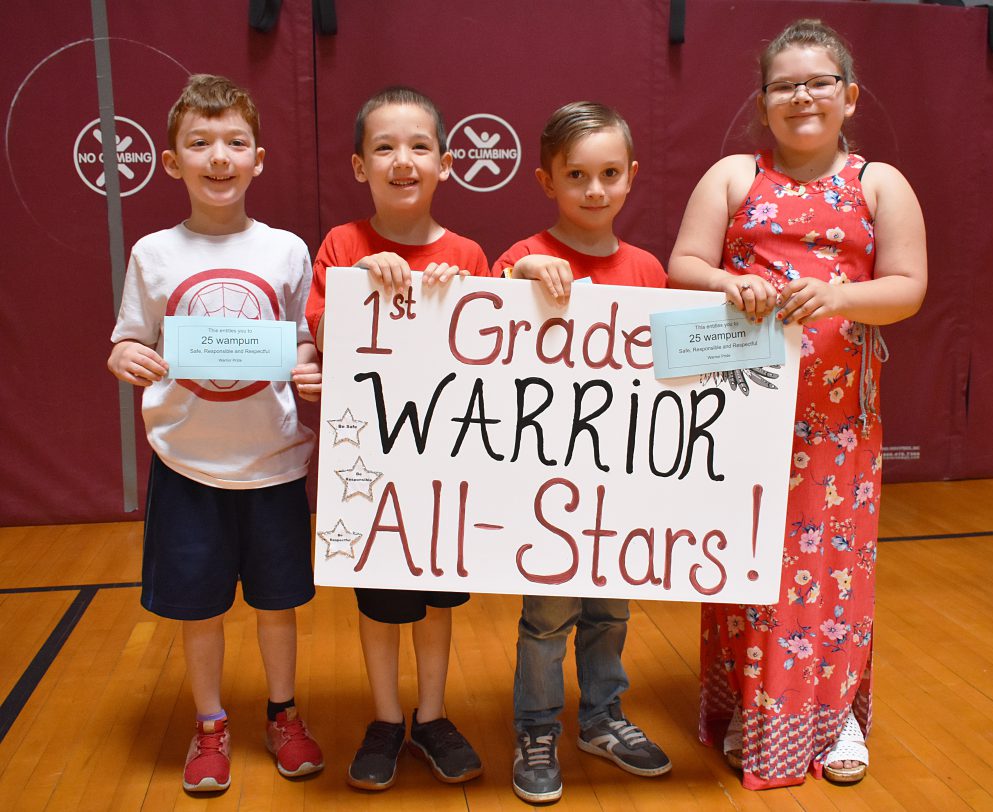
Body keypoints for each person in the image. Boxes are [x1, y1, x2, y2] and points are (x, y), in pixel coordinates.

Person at [667, 19, 927, 789]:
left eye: (819, 82)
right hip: (740, 415)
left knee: (830, 569)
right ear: (763, 99)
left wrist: (840, 293)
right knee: (747, 564)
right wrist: (730, 282)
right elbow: (684, 264)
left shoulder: (879, 182)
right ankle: (756, 707)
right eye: (785, 84)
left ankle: (835, 713)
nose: (802, 96)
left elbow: (908, 289)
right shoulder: (732, 175)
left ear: (848, 96)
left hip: (838, 426)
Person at [107, 74, 325, 793]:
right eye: (199, 143)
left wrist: (305, 368)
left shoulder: (288, 251)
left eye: (235, 142)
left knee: (277, 604)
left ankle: (283, 714)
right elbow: (129, 339)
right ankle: (210, 726)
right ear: (172, 162)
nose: (219, 156)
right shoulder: (152, 253)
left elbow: (299, 340)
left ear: (259, 158)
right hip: (188, 463)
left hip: (273, 463)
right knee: (198, 610)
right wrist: (124, 356)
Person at [306, 86, 489, 791]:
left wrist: (459, 296)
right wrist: (361, 286)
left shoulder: (469, 254)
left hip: (447, 468)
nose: (402, 160)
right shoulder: (342, 246)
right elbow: (326, 337)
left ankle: (433, 715)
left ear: (444, 163)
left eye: (419, 147)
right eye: (384, 147)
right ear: (359, 166)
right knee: (380, 604)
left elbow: (498, 358)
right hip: (372, 470)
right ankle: (385, 719)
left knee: (438, 604)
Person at [493, 101, 672, 804]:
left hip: (620, 479)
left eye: (608, 173)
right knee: (547, 614)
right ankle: (536, 727)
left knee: (611, 610)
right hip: (547, 483)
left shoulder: (649, 269)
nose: (594, 190)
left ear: (631, 176)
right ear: (547, 181)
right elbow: (479, 332)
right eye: (577, 175)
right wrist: (522, 281)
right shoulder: (524, 259)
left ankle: (602, 716)